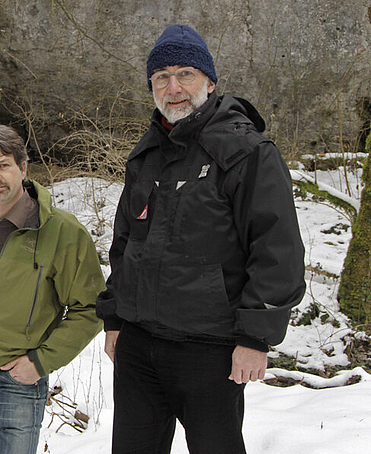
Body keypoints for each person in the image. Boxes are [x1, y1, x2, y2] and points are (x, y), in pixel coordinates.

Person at [96, 24, 306, 453]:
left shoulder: (246, 152)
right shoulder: (147, 154)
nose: (173, 88)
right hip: (139, 346)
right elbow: (125, 243)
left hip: (211, 351)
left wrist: (255, 337)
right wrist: (115, 319)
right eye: (161, 77)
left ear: (209, 82)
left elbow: (277, 249)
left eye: (185, 74)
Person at [0, 124, 105, 454]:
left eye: (3, 165)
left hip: (15, 384)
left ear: (23, 169)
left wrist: (40, 362)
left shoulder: (61, 231)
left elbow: (90, 307)